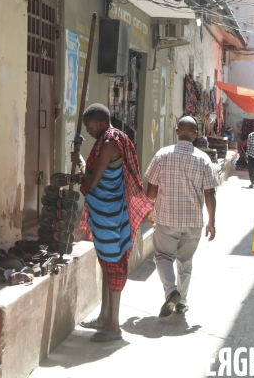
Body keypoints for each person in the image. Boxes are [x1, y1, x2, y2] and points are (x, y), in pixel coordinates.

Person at [71, 103, 154, 343]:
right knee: (107, 266)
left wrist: (79, 163)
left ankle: (114, 327)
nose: (87, 131)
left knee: (113, 268)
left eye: (89, 126)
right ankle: (104, 317)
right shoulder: (116, 138)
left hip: (109, 215)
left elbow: (93, 181)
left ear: (101, 123)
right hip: (108, 213)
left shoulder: (108, 144)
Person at [145, 116, 218, 317]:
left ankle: (171, 292)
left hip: (167, 219)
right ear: (195, 135)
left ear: (177, 132)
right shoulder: (204, 159)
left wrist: (148, 210)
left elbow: (151, 190)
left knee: (163, 256)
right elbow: (210, 193)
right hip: (193, 222)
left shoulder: (162, 155)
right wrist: (211, 222)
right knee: (185, 261)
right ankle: (182, 302)